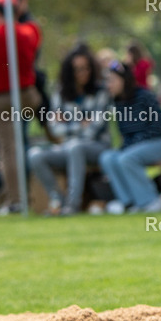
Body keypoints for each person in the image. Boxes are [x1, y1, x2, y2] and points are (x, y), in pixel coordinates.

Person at [0, 0, 43, 215]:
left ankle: (15, 199)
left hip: (2, 98)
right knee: (20, 144)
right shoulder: (30, 31)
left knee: (8, 150)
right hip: (28, 95)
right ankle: (18, 193)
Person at [27, 45, 111, 215]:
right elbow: (54, 128)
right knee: (35, 155)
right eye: (77, 69)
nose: (82, 73)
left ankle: (73, 205)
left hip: (97, 147)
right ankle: (58, 201)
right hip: (68, 148)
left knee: (75, 147)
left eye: (86, 68)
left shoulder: (101, 93)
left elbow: (93, 131)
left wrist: (68, 125)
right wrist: (81, 124)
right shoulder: (60, 93)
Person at [99, 60, 161, 213]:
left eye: (112, 80)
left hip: (159, 143)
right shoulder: (118, 102)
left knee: (126, 158)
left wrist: (135, 143)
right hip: (134, 146)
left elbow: (160, 127)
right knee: (107, 157)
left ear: (124, 80)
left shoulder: (144, 96)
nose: (108, 85)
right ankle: (128, 203)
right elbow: (126, 135)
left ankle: (151, 201)